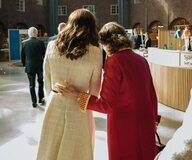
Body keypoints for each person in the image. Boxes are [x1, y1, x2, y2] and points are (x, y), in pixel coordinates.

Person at [56, 22, 158, 160]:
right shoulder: (141, 60)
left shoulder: (114, 61)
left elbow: (107, 105)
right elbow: (152, 95)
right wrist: (153, 122)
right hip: (146, 122)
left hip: (124, 126)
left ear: (106, 43)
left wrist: (78, 94)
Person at [36, 9, 103, 160]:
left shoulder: (52, 45)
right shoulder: (95, 51)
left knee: (50, 148)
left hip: (55, 101)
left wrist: (52, 96)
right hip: (80, 106)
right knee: (76, 151)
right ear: (91, 26)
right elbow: (95, 89)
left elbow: (46, 78)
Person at [21, 27, 46, 108]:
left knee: (31, 85)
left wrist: (24, 65)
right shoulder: (41, 43)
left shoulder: (24, 43)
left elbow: (23, 56)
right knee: (41, 83)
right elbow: (44, 55)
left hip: (29, 67)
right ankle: (41, 98)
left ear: (29, 33)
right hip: (39, 66)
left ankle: (34, 102)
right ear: (36, 33)